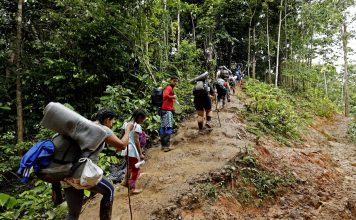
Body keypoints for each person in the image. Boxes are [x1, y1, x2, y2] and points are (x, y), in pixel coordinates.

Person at [63, 109, 133, 220]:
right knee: (109, 190)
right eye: (112, 121)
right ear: (106, 120)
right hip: (82, 173)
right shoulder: (103, 129)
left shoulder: (87, 125)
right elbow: (122, 145)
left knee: (73, 214)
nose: (112, 124)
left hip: (66, 173)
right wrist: (128, 130)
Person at [121, 109, 146, 195]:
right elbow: (136, 141)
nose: (143, 121)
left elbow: (122, 136)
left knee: (130, 166)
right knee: (136, 169)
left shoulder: (126, 123)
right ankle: (132, 188)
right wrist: (140, 153)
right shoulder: (137, 126)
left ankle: (125, 182)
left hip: (125, 150)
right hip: (132, 151)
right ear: (139, 117)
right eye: (143, 119)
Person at [160, 75, 178, 152]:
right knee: (168, 128)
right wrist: (173, 96)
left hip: (164, 110)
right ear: (170, 80)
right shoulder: (169, 87)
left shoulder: (169, 87)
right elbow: (165, 95)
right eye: (174, 81)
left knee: (163, 128)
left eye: (176, 81)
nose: (175, 83)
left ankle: (163, 145)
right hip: (167, 111)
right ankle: (166, 146)